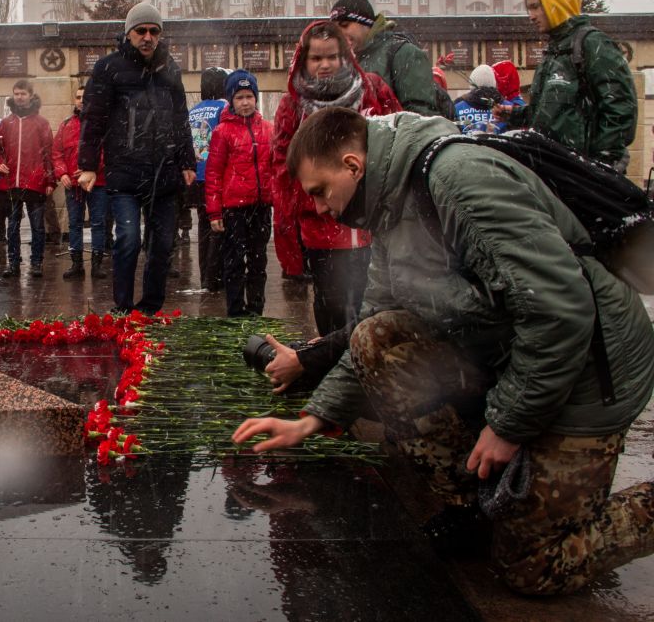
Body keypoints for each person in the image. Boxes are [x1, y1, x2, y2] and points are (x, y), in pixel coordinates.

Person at [233, 106, 654, 596]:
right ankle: (477, 507)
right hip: (508, 355)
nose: (321, 208)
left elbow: (559, 311)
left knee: (533, 568)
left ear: (352, 165)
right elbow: (373, 324)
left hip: (590, 369)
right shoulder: (390, 208)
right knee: (378, 339)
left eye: (320, 192)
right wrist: (314, 417)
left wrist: (507, 426)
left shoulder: (459, 181)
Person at [271, 20, 400, 336]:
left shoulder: (373, 91)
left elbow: (396, 140)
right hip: (322, 230)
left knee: (374, 309)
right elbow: (281, 169)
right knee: (331, 308)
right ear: (304, 60)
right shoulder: (292, 106)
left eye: (332, 56)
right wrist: (312, 202)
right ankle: (333, 369)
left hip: (372, 226)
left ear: (346, 55)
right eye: (316, 58)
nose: (325, 65)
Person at [78, 2, 196, 314]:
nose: (147, 36)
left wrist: (187, 161)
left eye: (153, 31)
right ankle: (123, 308)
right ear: (128, 33)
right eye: (141, 30)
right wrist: (88, 166)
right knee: (128, 239)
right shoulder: (108, 69)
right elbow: (93, 119)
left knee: (161, 245)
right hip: (125, 171)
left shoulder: (170, 69)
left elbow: (180, 118)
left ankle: (151, 309)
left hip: (163, 172)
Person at [495, 0, 637, 171]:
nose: (531, 16)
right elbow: (556, 112)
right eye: (529, 9)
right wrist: (515, 114)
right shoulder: (553, 52)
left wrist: (600, 162)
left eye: (536, 7)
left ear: (557, 3)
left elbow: (621, 109)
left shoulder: (592, 44)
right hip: (555, 167)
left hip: (581, 174)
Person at [205, 70, 274, 317]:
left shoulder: (268, 129)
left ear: (256, 98)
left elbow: (275, 167)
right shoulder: (222, 132)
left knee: (258, 260)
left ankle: (256, 308)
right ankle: (235, 310)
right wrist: (214, 211)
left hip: (261, 206)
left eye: (249, 96)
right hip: (234, 207)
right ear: (231, 101)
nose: (245, 102)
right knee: (234, 261)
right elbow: (213, 172)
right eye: (239, 97)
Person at [330, 0, 438, 116]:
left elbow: (421, 115)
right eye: (334, 28)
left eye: (344, 25)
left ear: (366, 23)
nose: (339, 33)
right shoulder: (344, 60)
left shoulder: (404, 54)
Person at [0, 78, 54, 277]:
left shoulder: (41, 123)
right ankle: (13, 262)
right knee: (12, 225)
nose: (19, 97)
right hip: (11, 183)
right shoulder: (5, 123)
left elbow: (49, 153)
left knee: (37, 225)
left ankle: (36, 262)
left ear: (30, 96)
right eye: (17, 93)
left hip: (35, 182)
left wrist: (49, 180)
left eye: (23, 94)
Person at [53, 84, 109, 280]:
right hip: (73, 185)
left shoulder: (103, 124)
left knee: (98, 223)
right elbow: (57, 153)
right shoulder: (66, 125)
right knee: (75, 223)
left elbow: (107, 151)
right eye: (78, 97)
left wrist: (91, 168)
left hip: (98, 183)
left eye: (85, 97)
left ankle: (97, 264)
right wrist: (62, 174)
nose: (81, 100)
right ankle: (76, 264)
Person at [187, 66, 228, 290]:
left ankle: (205, 275)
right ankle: (215, 277)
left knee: (203, 225)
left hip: (196, 176)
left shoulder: (193, 111)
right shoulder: (225, 108)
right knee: (219, 226)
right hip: (216, 176)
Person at [454, 64, 503, 134]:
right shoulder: (507, 108)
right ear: (494, 83)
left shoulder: (457, 108)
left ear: (472, 84)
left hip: (466, 144)